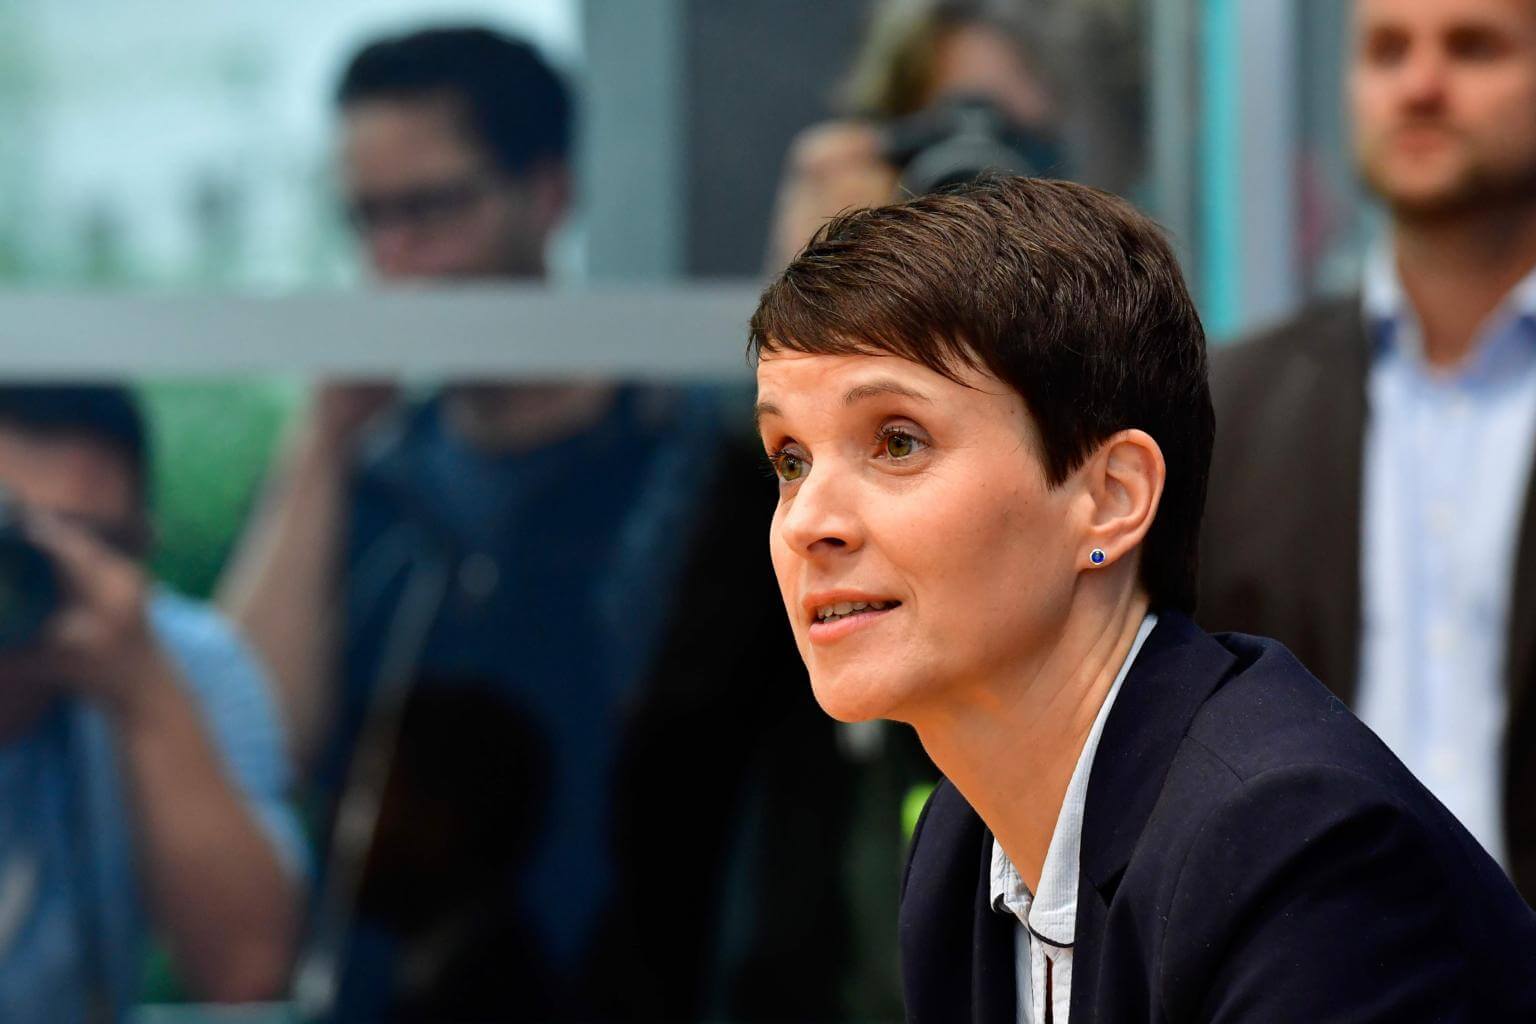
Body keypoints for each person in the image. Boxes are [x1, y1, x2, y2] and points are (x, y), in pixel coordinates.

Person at [749, 176, 1536, 1022]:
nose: (809, 523)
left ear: (1112, 497)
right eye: (790, 459)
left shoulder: (1296, 845)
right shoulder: (959, 845)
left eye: (898, 442)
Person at [219, 26, 854, 1020]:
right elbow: (250, 741)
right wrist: (321, 447)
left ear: (548, 193)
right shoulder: (375, 482)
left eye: (431, 210)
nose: (395, 258)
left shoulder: (687, 464)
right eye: (368, 219)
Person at [1199, 0, 1536, 902]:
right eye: (1387, 51)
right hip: (1303, 952)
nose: (1420, 86)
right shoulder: (1230, 409)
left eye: (1474, 48)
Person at [0, 385, 303, 1019]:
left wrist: (142, 694)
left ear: (142, 547)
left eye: (90, 541)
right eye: (14, 538)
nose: (47, 572)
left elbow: (249, 972)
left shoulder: (182, 662)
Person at [764, 0, 1142, 270]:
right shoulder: (865, 195)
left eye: (1012, 137)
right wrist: (828, 273)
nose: (974, 187)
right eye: (941, 132)